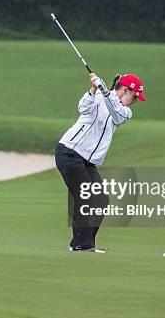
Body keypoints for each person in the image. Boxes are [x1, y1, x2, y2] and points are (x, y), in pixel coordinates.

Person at [55, 72, 146, 253]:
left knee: (102, 200)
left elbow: (116, 113)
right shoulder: (98, 96)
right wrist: (93, 89)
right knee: (86, 197)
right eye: (134, 97)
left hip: (88, 160)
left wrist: (105, 92)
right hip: (69, 152)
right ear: (125, 90)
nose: (133, 101)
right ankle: (84, 245)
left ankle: (78, 243)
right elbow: (82, 108)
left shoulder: (125, 112)